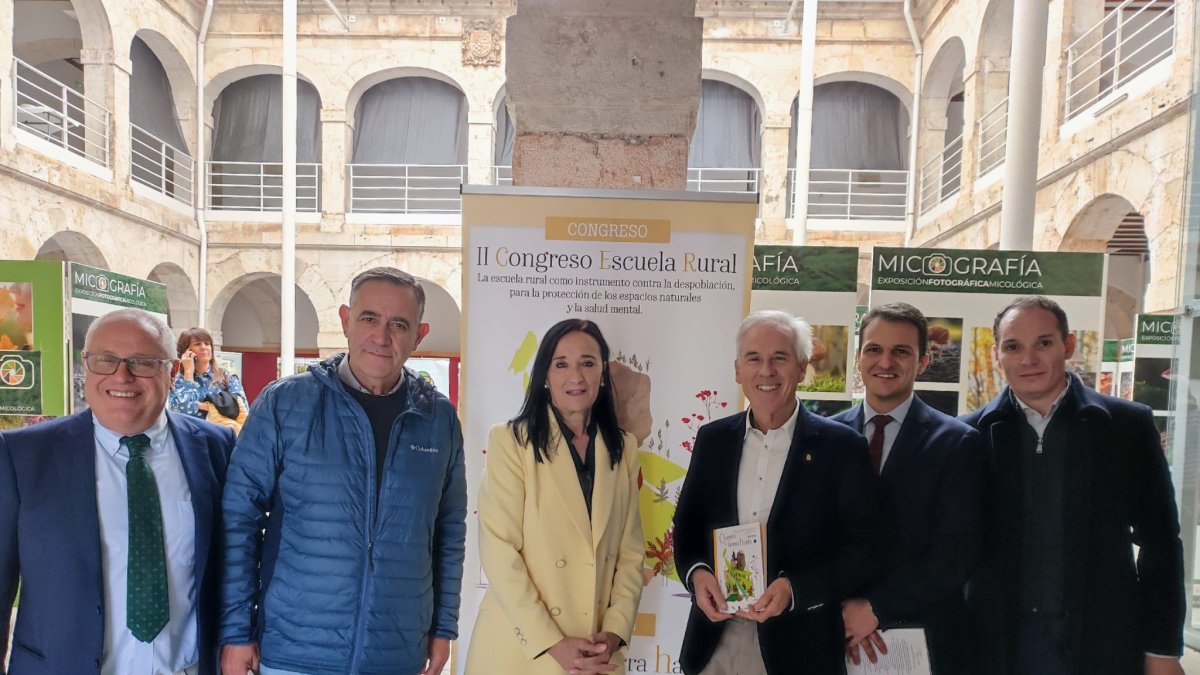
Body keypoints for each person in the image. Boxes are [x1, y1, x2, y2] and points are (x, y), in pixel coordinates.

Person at [219, 267, 466, 675]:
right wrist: (235, 631)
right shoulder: (286, 405)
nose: (381, 337)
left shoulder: (437, 418)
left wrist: (443, 628)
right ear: (346, 320)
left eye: (398, 324)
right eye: (369, 318)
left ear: (419, 335)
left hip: (396, 654)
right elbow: (238, 521)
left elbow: (449, 531)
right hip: (293, 653)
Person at [0, 308, 234, 674]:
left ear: (172, 372)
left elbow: (233, 567)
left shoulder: (216, 447)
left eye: (142, 362)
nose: (121, 376)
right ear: (86, 364)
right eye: (105, 360)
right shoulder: (23, 456)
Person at [962, 296, 1185, 675]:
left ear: (1068, 345)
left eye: (1043, 343)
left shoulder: (1125, 427)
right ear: (998, 354)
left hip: (1100, 641)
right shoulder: (969, 435)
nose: (1027, 359)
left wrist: (1162, 649)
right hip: (996, 645)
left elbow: (1161, 542)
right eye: (1013, 346)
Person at [673, 310, 883, 675]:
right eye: (754, 359)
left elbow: (864, 549)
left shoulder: (841, 447)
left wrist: (794, 589)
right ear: (738, 370)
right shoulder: (714, 440)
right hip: (714, 643)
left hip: (798, 648)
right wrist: (697, 573)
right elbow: (688, 526)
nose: (766, 371)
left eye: (779, 358)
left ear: (802, 368)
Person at [465, 318, 644, 675]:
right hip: (523, 649)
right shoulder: (511, 441)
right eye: (561, 364)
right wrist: (551, 642)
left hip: (596, 652)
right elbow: (499, 550)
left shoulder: (622, 447)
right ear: (545, 375)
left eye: (587, 363)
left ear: (603, 374)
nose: (575, 376)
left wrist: (614, 632)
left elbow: (630, 553)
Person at [831, 302, 984, 673]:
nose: (886, 362)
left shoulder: (958, 444)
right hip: (834, 636)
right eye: (874, 349)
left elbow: (957, 554)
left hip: (921, 642)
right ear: (858, 357)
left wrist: (875, 607)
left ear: (923, 362)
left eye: (901, 351)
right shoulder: (825, 438)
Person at [168, 327, 248, 432]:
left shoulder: (226, 377)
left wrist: (204, 406)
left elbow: (242, 410)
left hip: (222, 440)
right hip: (190, 441)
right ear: (186, 351)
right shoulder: (177, 380)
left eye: (207, 343)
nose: (204, 347)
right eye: (197, 344)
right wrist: (188, 372)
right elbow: (182, 411)